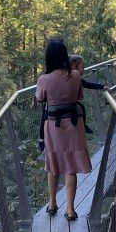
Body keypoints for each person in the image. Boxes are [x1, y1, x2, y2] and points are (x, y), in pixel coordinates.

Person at [35, 38, 92, 220]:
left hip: (54, 126)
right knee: (71, 168)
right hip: (74, 125)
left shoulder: (44, 79)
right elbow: (80, 96)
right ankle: (70, 209)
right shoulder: (75, 76)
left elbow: (39, 98)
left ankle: (52, 203)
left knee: (53, 165)